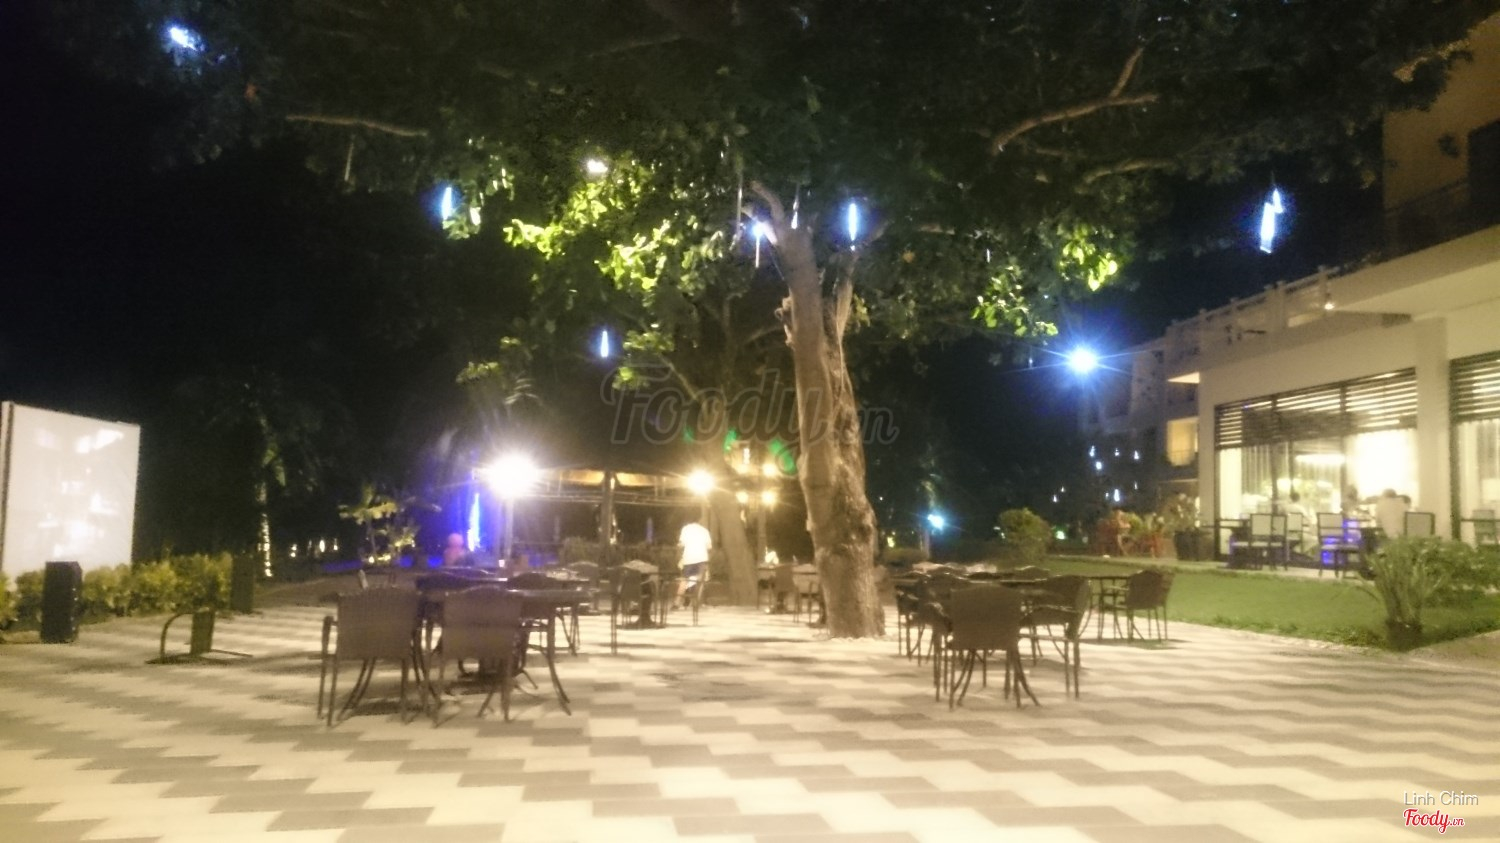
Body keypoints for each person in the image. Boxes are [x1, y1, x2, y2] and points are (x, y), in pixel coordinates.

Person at [676, 518, 712, 608]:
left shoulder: (685, 529)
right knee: (700, 581)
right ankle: (696, 603)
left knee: (684, 580)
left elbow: (681, 544)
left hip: (688, 558)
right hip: (702, 558)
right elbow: (709, 547)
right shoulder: (704, 531)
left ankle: (677, 602)